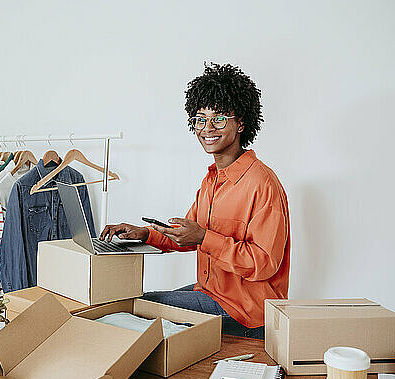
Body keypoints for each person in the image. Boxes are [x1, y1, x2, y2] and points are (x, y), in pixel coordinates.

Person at [100, 63, 290, 339]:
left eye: (219, 119)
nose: (207, 128)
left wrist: (204, 238)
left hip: (245, 310)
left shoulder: (262, 183)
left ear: (242, 123)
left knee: (133, 308)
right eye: (200, 119)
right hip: (212, 293)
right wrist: (146, 234)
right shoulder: (212, 180)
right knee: (136, 303)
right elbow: (188, 235)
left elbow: (263, 263)